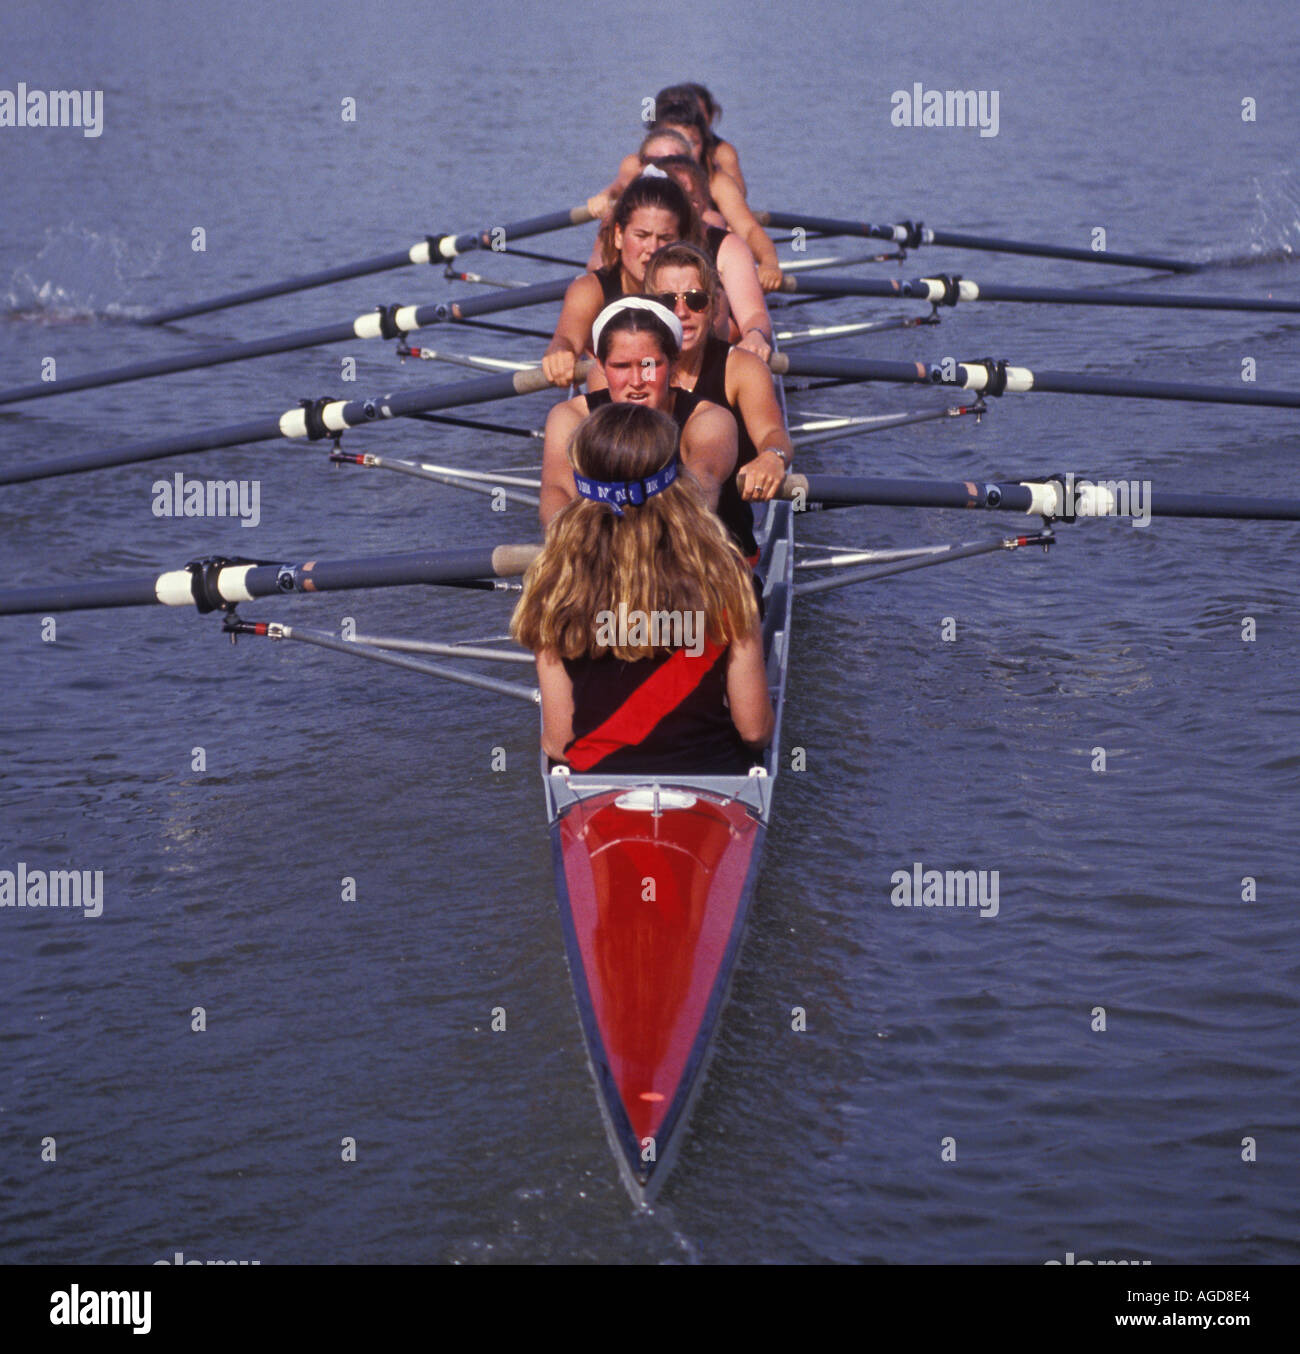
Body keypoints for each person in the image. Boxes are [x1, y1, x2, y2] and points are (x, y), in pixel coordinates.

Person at [512, 401, 773, 774]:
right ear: (676, 481)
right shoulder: (724, 573)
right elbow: (754, 730)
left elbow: (559, 741)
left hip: (596, 782)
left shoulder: (554, 579)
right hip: (710, 778)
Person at [540, 298, 738, 539]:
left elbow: (701, 482)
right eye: (621, 366)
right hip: (597, 552)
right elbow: (558, 489)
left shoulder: (710, 418)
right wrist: (568, 543)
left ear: (673, 362)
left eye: (649, 365)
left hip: (685, 549)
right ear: (601, 365)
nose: (636, 382)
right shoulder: (570, 417)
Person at [645, 242, 792, 559]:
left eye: (695, 300)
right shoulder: (630, 370)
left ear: (713, 308)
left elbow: (773, 434)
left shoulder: (743, 368)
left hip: (725, 553)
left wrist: (774, 456)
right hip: (641, 549)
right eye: (668, 300)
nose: (682, 312)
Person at [588, 98, 783, 292]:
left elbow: (749, 230)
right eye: (655, 161)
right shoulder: (630, 186)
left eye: (675, 158)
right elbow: (597, 258)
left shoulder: (715, 187)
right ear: (641, 163)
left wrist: (770, 264)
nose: (665, 168)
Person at [543, 175, 701, 388]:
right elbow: (567, 339)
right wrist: (560, 353)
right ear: (618, 235)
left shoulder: (697, 295)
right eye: (642, 235)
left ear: (682, 241)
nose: (653, 249)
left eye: (665, 238)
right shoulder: (590, 289)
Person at [655, 82, 746, 195]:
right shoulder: (638, 164)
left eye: (697, 115)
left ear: (710, 115)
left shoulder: (722, 156)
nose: (686, 119)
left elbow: (740, 193)